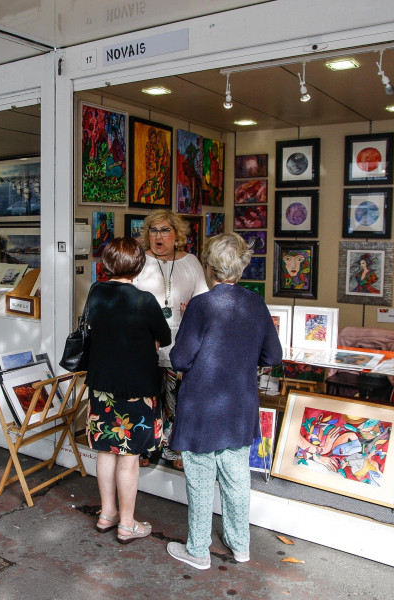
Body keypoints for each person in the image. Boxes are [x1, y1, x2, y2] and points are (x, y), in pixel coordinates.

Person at [165, 233, 283, 570]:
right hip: (239, 405)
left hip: (201, 406)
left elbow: (180, 359)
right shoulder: (255, 303)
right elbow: (273, 355)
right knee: (237, 479)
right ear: (242, 268)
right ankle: (240, 545)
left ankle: (198, 551)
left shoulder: (202, 305)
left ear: (209, 266)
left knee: (201, 482)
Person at [85, 237, 171, 544]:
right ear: (139, 265)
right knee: (129, 456)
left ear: (107, 264)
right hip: (136, 387)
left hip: (102, 386)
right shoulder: (143, 300)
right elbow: (165, 336)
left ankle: (107, 514)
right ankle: (127, 523)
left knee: (106, 450)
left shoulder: (95, 293)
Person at [132, 209, 208, 468]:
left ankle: (174, 450)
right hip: (146, 343)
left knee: (178, 399)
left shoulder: (192, 262)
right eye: (153, 230)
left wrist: (193, 309)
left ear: (177, 234)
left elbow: (205, 300)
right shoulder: (138, 261)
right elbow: (128, 299)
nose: (158, 236)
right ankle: (144, 448)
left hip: (181, 342)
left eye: (165, 230)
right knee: (147, 398)